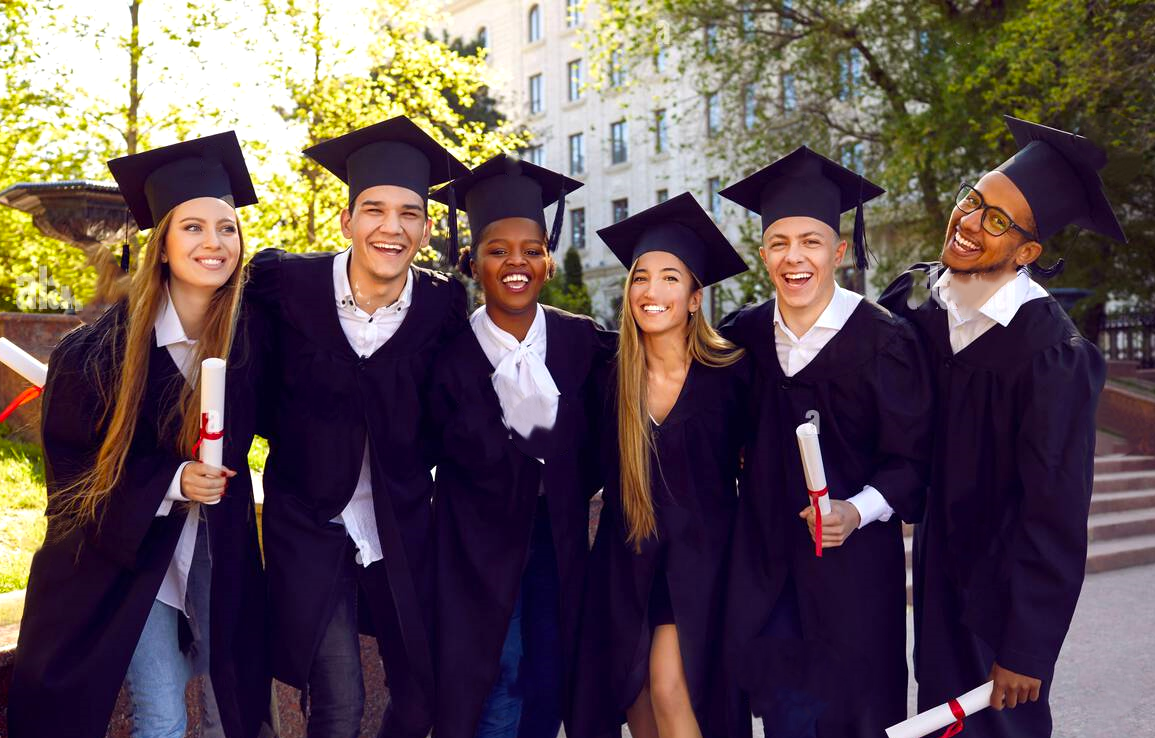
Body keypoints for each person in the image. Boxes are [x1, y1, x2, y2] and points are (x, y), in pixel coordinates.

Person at [9, 132, 271, 738]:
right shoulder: (96, 352)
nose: (214, 242)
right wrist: (173, 479)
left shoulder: (255, 338)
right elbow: (71, 471)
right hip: (128, 550)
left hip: (216, 545)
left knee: (234, 706)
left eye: (227, 228)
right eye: (193, 228)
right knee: (162, 712)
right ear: (161, 246)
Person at [879, 115, 1124, 738]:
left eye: (997, 222)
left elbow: (1056, 512)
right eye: (973, 200)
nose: (968, 222)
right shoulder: (920, 304)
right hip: (937, 586)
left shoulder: (1051, 355)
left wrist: (1027, 647)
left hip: (1000, 603)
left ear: (1027, 252)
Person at [242, 116, 468, 738]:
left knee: (421, 698)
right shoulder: (286, 285)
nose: (390, 227)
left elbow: (458, 415)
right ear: (346, 221)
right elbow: (239, 380)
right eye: (373, 209)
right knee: (340, 702)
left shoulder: (443, 307)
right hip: (309, 525)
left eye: (408, 213)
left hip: (398, 525)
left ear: (426, 228)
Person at [717, 146, 933, 738]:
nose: (795, 257)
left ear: (837, 252)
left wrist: (856, 510)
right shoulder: (745, 335)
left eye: (811, 241)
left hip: (855, 582)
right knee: (787, 720)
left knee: (858, 719)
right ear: (763, 253)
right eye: (780, 242)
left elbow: (912, 462)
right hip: (769, 575)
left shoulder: (885, 341)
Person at [428, 154, 614, 738]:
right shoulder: (447, 355)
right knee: (499, 679)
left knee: (547, 678)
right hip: (476, 554)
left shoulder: (581, 342)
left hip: (557, 545)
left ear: (548, 260)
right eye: (497, 249)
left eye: (531, 249)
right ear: (472, 261)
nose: (516, 262)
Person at [570, 192, 751, 738]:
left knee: (672, 689)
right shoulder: (608, 377)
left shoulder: (732, 376)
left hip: (699, 567)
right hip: (626, 562)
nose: (652, 291)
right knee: (638, 699)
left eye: (671, 278)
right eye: (641, 277)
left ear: (695, 298)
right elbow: (578, 468)